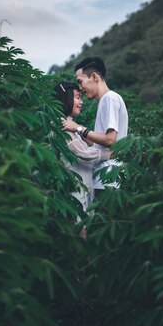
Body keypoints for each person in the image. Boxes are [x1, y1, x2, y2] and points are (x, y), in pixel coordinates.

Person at [61, 56, 128, 198]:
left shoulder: (110, 98)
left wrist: (78, 129)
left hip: (107, 176)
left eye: (80, 82)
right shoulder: (106, 100)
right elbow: (100, 143)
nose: (80, 88)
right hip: (106, 176)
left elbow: (110, 140)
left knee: (104, 219)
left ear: (94, 77)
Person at [54, 81, 112, 216]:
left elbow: (92, 144)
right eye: (77, 97)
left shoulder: (70, 125)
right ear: (66, 98)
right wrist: (112, 153)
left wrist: (77, 128)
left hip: (84, 189)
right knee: (80, 231)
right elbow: (84, 153)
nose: (81, 102)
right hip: (75, 192)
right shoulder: (61, 124)